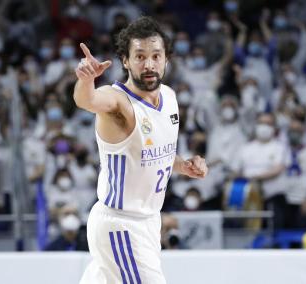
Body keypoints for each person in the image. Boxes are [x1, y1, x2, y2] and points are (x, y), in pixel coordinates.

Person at [74, 17, 208, 284]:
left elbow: (156, 153)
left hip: (148, 222)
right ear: (125, 60)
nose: (149, 64)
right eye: (140, 56)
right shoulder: (119, 103)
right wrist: (86, 80)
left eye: (156, 56)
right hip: (121, 224)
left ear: (166, 59)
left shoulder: (169, 97)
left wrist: (183, 165)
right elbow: (86, 100)